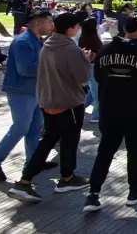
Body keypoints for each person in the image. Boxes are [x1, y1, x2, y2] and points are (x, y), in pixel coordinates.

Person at [7, 13, 93, 202]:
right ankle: (67, 178)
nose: (79, 29)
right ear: (70, 29)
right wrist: (85, 59)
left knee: (47, 140)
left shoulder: (48, 44)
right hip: (68, 102)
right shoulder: (71, 49)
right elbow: (82, 77)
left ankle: (24, 180)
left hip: (48, 101)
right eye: (77, 26)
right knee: (69, 141)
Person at [83, 16, 137, 213]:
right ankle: (134, 189)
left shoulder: (106, 49)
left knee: (105, 150)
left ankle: (93, 194)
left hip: (110, 108)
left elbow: (98, 76)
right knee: (136, 150)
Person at [0, 12, 55, 182]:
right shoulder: (23, 41)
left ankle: (33, 162)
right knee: (20, 128)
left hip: (34, 90)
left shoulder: (36, 40)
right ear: (38, 22)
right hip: (21, 91)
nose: (52, 25)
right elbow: (26, 69)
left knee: (35, 128)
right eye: (50, 22)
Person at [80, 18, 104, 124]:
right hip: (93, 67)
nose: (98, 25)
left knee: (91, 92)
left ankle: (79, 107)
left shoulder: (83, 37)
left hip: (88, 67)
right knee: (97, 93)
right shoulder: (93, 39)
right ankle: (96, 115)